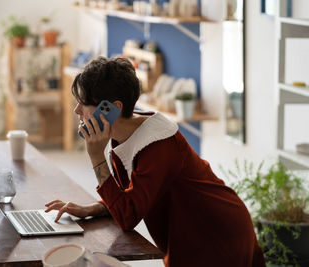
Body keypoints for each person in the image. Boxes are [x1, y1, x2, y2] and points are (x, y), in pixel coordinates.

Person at [44, 57, 265, 267]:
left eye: (84, 103)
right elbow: (130, 195)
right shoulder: (123, 136)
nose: (76, 111)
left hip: (216, 236)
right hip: (192, 233)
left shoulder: (158, 145)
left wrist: (96, 157)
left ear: (113, 109)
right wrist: (93, 208)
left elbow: (128, 216)